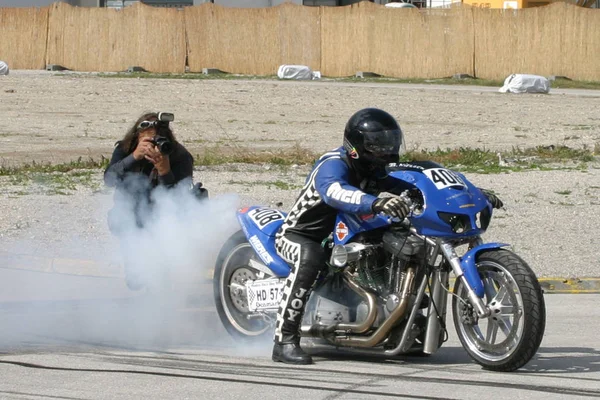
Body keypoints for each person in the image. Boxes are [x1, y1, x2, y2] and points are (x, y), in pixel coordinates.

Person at [271, 108, 503, 365]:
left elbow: (415, 187)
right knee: (310, 256)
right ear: (357, 145)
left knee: (402, 242)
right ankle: (284, 340)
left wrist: (469, 194)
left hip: (344, 237)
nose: (386, 150)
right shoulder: (333, 164)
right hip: (302, 235)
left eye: (390, 142)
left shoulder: (378, 170)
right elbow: (334, 192)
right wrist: (374, 203)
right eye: (377, 145)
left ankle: (398, 321)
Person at [104, 111, 195, 289]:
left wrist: (164, 171)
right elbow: (109, 180)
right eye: (148, 142)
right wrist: (134, 157)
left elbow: (179, 198)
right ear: (137, 138)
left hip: (165, 220)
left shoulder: (179, 156)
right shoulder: (126, 149)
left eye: (157, 141)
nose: (153, 147)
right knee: (136, 281)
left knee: (160, 279)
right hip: (129, 217)